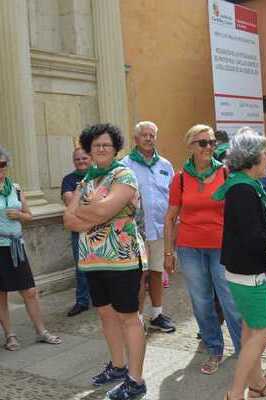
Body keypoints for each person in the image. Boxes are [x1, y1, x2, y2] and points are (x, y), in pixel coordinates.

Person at [63, 124, 147, 400]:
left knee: (129, 318)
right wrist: (92, 214)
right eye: (96, 145)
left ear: (115, 148)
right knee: (106, 315)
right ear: (89, 149)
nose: (101, 149)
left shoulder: (123, 174)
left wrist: (85, 213)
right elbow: (68, 220)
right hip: (92, 259)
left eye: (106, 145)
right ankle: (118, 367)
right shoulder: (87, 179)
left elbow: (104, 210)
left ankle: (136, 381)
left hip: (121, 259)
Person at [214, 131, 266, 400]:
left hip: (249, 271)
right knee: (264, 332)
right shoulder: (242, 189)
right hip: (248, 273)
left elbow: (252, 224)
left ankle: (258, 384)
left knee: (251, 331)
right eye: (265, 154)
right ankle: (235, 393)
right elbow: (255, 240)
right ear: (252, 159)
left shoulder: (246, 185)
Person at [164, 124, 241, 375]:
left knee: (230, 299)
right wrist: (168, 251)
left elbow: (237, 212)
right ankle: (214, 349)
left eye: (211, 142)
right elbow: (170, 216)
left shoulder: (226, 173)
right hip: (189, 247)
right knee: (201, 302)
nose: (209, 147)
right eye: (202, 143)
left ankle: (244, 351)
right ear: (191, 146)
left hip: (221, 247)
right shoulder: (181, 178)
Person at [0, 146, 61, 351]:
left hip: (16, 246)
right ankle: (10, 335)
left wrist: (19, 216)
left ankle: (41, 331)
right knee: (1, 294)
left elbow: (29, 216)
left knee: (30, 291)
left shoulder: (15, 188)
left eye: (2, 164)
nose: (0, 168)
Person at [121, 121, 175, 333]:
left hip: (161, 230)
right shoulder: (126, 165)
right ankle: (137, 319)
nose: (148, 138)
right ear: (135, 139)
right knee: (138, 276)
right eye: (144, 135)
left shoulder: (165, 165)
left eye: (152, 135)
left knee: (156, 271)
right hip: (135, 232)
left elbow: (172, 198)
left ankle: (156, 314)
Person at [61, 148, 92, 317]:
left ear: (91, 158)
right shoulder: (69, 179)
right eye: (77, 159)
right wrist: (92, 203)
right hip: (78, 228)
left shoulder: (98, 176)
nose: (81, 161)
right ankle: (82, 301)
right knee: (81, 267)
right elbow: (69, 201)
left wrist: (79, 200)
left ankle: (103, 298)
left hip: (99, 227)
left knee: (103, 263)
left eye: (84, 158)